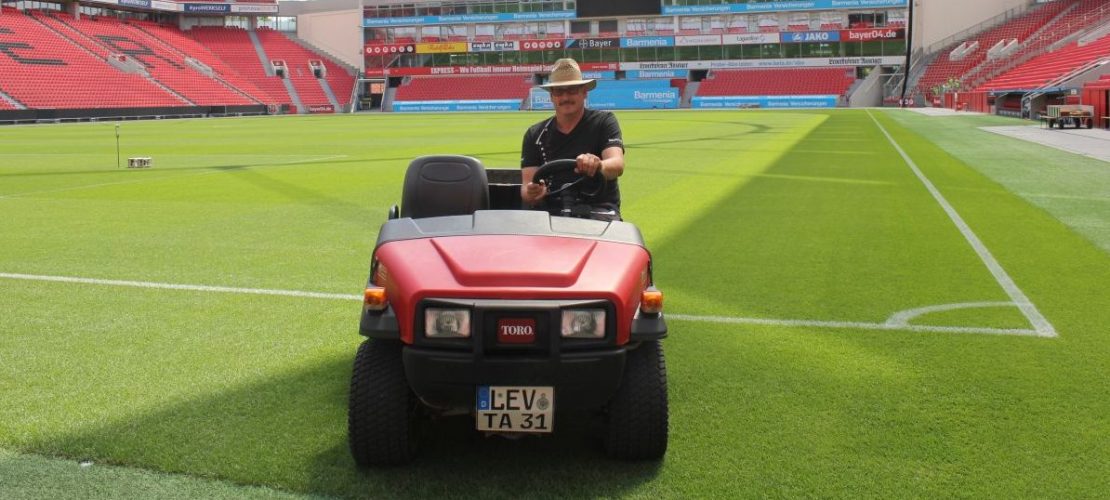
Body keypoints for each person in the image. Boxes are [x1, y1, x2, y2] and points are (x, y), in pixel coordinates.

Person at [520, 58, 625, 221]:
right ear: (551, 96)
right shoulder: (535, 134)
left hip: (598, 209)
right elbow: (527, 186)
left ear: (584, 92)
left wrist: (597, 165)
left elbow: (617, 165)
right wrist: (533, 192)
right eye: (559, 92)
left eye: (572, 90)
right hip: (551, 213)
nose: (565, 97)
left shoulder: (604, 122)